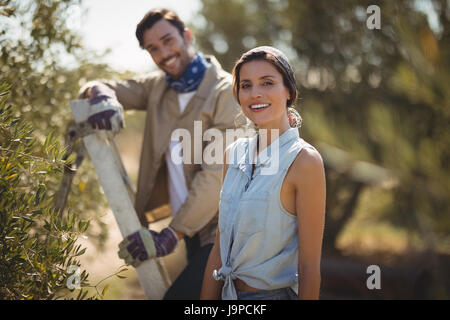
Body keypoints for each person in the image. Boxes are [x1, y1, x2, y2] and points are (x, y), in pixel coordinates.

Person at [79, 8, 240, 299]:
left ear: (187, 36)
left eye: (168, 40)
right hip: (192, 233)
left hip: (226, 231)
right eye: (153, 48)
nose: (164, 53)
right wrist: (101, 96)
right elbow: (102, 85)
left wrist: (171, 234)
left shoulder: (226, 91)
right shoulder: (157, 88)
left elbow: (217, 174)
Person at [200, 46, 326, 300]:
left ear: (288, 90)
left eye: (267, 83)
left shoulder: (304, 162)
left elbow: (309, 267)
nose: (255, 94)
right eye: (246, 85)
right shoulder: (233, 154)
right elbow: (219, 247)